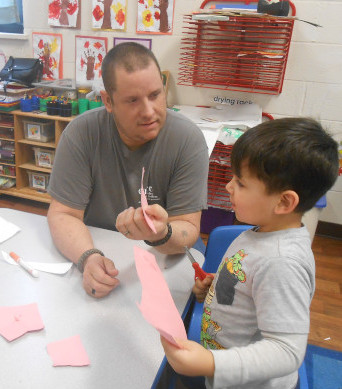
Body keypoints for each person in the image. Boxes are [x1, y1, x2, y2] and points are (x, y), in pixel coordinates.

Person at [161, 118, 339, 389]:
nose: (228, 187)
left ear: (284, 201)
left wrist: (211, 364)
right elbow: (249, 283)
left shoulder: (282, 262)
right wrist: (217, 286)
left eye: (241, 183)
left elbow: (286, 351)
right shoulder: (261, 232)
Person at [47, 43, 209, 298]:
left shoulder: (188, 139)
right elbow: (62, 214)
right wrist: (88, 257)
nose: (149, 112)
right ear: (108, 101)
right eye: (133, 100)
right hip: (101, 248)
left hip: (164, 255)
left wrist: (160, 232)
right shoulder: (81, 134)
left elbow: (188, 228)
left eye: (155, 95)